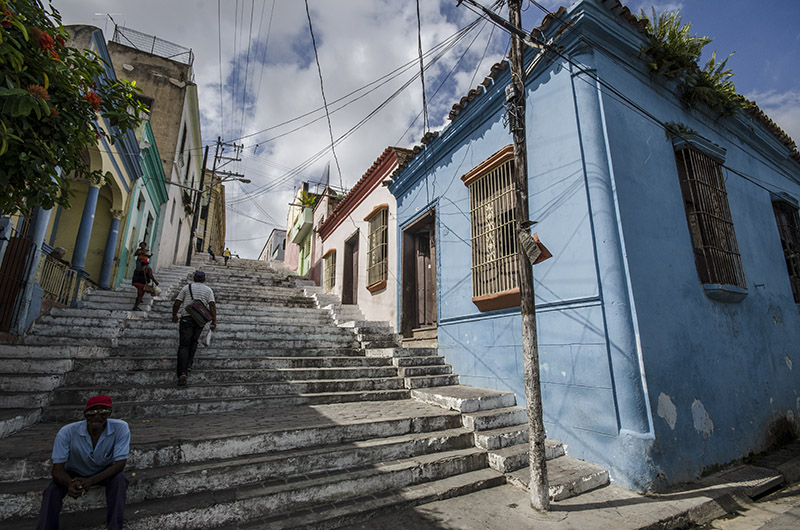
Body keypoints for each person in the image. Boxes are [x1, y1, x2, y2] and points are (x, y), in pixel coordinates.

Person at [35, 395, 130, 530]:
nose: (97, 417)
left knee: (120, 480)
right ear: (85, 414)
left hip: (104, 471)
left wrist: (91, 481)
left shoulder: (121, 428)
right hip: (75, 471)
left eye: (102, 412)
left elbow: (120, 463)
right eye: (92, 412)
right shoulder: (67, 432)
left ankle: (115, 527)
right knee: (52, 490)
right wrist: (69, 483)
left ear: (109, 413)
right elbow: (57, 470)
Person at [172, 270, 216, 386]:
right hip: (199, 320)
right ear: (204, 280)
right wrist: (214, 321)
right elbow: (212, 305)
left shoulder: (187, 288)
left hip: (186, 318)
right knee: (194, 342)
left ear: (194, 278)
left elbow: (177, 303)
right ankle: (189, 365)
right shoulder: (208, 290)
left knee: (184, 345)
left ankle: (182, 372)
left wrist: (174, 315)